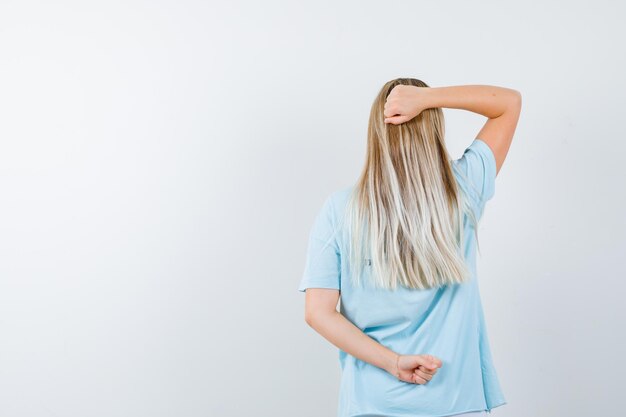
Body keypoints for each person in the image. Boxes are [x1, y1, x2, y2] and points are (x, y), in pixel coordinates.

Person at [297, 79, 522, 417]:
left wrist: (394, 363)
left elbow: (318, 312)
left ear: (377, 131)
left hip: (371, 403)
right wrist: (429, 99)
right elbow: (508, 103)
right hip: (454, 400)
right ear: (433, 128)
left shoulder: (340, 210)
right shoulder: (464, 191)